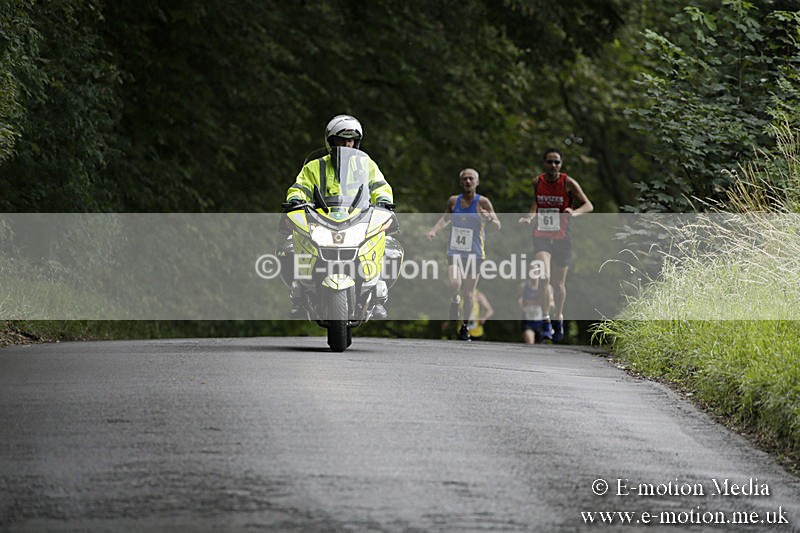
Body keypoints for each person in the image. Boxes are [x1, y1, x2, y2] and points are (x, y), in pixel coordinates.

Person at [284, 114, 394, 318]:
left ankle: (377, 296)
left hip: (357, 218)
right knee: (289, 246)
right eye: (342, 140)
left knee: (388, 245)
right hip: (321, 219)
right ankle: (300, 296)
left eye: (351, 140)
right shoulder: (314, 166)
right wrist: (295, 200)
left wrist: (384, 201)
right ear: (330, 141)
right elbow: (299, 187)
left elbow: (380, 185)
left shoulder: (366, 164)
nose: (347, 145)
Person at [518, 148, 593, 342]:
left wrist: (573, 212)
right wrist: (529, 218)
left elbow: (588, 205)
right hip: (541, 233)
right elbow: (536, 204)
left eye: (557, 162)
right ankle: (545, 321)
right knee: (544, 277)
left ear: (561, 164)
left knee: (558, 284)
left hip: (562, 236)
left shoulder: (568, 182)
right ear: (544, 163)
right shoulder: (537, 182)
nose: (553, 165)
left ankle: (558, 317)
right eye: (550, 162)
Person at [427, 168, 501, 341]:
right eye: (465, 179)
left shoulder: (483, 202)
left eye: (471, 179)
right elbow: (446, 218)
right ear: (460, 182)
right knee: (454, 283)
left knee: (468, 295)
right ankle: (454, 302)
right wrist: (433, 231)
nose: (468, 182)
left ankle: (465, 326)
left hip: (475, 253)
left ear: (477, 182)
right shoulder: (454, 201)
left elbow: (498, 224)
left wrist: (489, 218)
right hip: (455, 250)